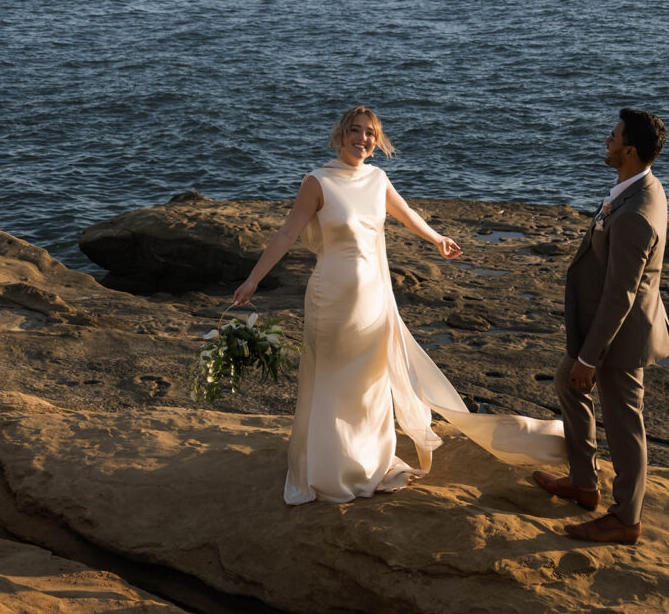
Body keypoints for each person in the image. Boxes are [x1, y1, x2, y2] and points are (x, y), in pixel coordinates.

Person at [234, 106, 564, 505]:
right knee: (332, 381)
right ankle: (327, 468)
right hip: (332, 299)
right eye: (355, 131)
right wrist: (253, 279)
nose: (363, 139)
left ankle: (369, 462)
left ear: (377, 142)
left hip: (374, 296)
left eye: (370, 133)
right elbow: (287, 233)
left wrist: (437, 238)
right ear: (340, 135)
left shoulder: (377, 179)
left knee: (371, 382)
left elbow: (405, 214)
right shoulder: (317, 182)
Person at [532, 108, 669, 544]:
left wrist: (590, 358)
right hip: (605, 327)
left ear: (629, 150)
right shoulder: (637, 188)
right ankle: (584, 483)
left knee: (625, 424)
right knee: (566, 382)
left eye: (612, 137)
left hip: (621, 338)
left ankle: (626, 519)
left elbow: (621, 296)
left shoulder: (634, 215)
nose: (606, 141)